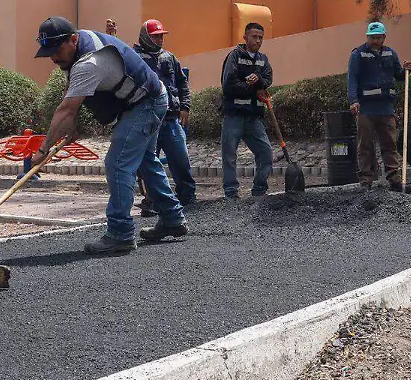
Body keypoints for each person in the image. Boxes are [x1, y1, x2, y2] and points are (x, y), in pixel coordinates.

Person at [34, 16, 186, 254]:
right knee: (145, 162)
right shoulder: (77, 48)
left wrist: (42, 151)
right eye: (48, 52)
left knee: (118, 163)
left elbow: (66, 109)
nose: (53, 58)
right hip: (148, 97)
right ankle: (173, 218)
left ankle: (120, 232)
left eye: (56, 50)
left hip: (146, 103)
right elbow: (70, 94)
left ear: (73, 40)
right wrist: (71, 128)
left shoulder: (88, 63)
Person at [134, 19, 196, 208]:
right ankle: (151, 200)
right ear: (145, 37)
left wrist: (185, 106)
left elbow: (182, 83)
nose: (160, 39)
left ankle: (187, 197)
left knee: (180, 160)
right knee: (147, 165)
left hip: (171, 119)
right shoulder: (135, 57)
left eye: (162, 36)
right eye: (156, 36)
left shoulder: (169, 57)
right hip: (147, 119)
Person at [347, 21, 411, 188]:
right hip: (366, 109)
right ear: (367, 37)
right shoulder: (358, 55)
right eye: (372, 37)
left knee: (390, 144)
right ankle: (366, 181)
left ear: (384, 37)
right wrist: (353, 101)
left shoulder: (391, 54)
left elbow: (398, 75)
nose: (375, 40)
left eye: (378, 37)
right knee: (365, 146)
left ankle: (394, 179)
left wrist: (405, 70)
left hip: (386, 108)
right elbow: (352, 79)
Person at [220, 22, 274, 198]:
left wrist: (258, 79)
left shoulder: (263, 59)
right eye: (254, 37)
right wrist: (251, 88)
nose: (258, 41)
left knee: (265, 152)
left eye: (260, 38)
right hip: (234, 114)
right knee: (229, 155)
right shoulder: (234, 56)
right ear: (245, 37)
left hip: (254, 116)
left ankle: (259, 189)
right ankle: (231, 192)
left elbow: (268, 79)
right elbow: (228, 84)